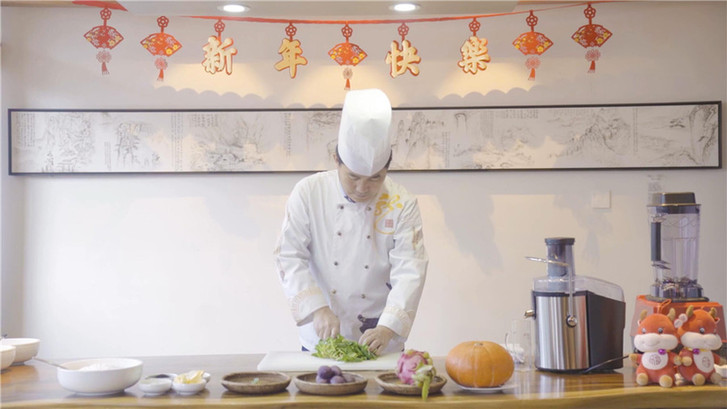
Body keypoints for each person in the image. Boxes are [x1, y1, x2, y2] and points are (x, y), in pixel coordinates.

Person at [274, 89, 428, 356]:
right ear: (337, 160)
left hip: (381, 339)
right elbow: (289, 255)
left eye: (376, 178)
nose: (362, 188)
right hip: (321, 337)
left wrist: (388, 327)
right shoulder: (309, 192)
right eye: (353, 177)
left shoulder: (402, 202)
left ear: (387, 169)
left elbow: (410, 269)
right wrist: (317, 308)